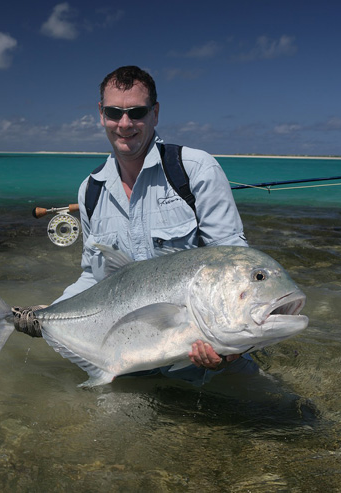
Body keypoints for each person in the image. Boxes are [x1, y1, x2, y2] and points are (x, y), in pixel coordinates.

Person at [17, 65, 258, 385]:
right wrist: (52, 313)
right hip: (129, 360)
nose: (125, 123)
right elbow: (94, 276)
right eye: (115, 112)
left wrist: (230, 351)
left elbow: (235, 265)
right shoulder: (90, 190)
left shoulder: (195, 170)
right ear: (101, 114)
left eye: (137, 112)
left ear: (155, 113)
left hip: (201, 356)